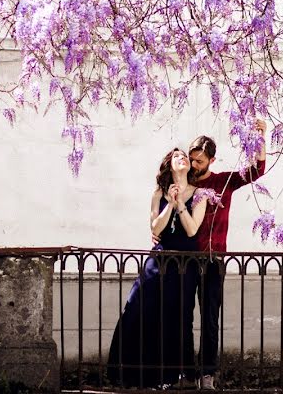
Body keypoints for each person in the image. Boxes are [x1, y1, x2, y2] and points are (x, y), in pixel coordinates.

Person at [107, 148, 209, 388]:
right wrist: (169, 205)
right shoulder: (158, 193)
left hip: (185, 262)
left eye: (184, 156)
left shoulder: (200, 194)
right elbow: (156, 228)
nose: (182, 158)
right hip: (160, 258)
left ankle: (176, 376)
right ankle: (131, 372)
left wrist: (181, 203)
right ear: (169, 165)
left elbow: (193, 229)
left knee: (178, 316)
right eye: (176, 157)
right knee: (138, 306)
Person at [189, 120, 267, 390]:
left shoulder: (222, 182)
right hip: (183, 260)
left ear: (211, 160)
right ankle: (184, 372)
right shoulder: (182, 182)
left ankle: (207, 373)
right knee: (182, 317)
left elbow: (256, 170)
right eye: (192, 159)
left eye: (200, 161)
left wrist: (259, 138)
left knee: (210, 318)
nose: (194, 165)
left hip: (213, 261)